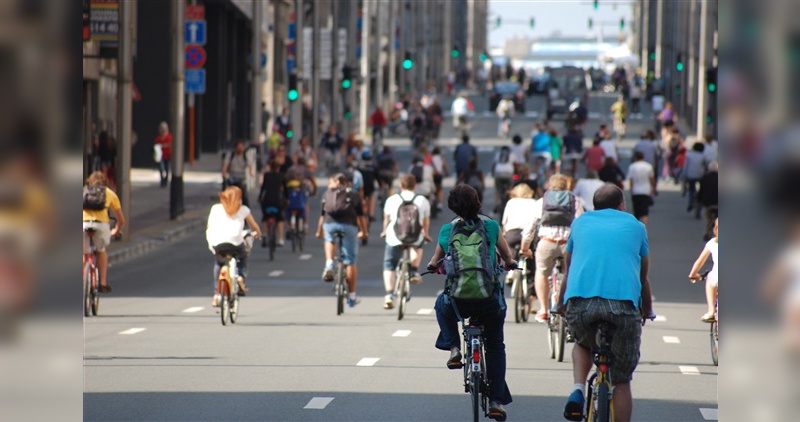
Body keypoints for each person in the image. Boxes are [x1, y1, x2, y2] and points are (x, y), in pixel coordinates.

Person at [555, 184, 654, 422]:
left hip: (581, 303)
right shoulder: (636, 226)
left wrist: (560, 302)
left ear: (594, 205)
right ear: (622, 205)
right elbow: (643, 275)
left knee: (582, 342)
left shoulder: (579, 223)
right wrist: (647, 309)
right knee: (621, 379)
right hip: (622, 306)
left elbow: (569, 269)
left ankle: (578, 388)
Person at [427, 184, 517, 421]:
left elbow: (434, 261)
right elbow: (507, 256)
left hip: (458, 301)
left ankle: (454, 347)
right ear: (477, 202)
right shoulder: (491, 226)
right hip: (489, 301)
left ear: (452, 206)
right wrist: (510, 263)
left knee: (441, 305)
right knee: (496, 345)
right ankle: (497, 401)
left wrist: (434, 266)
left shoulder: (447, 230)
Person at [520, 174, 583, 323]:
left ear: (549, 186)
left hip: (547, 242)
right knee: (571, 274)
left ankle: (543, 309)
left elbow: (530, 227)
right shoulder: (575, 201)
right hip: (568, 245)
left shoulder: (542, 202)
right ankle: (569, 308)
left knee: (541, 272)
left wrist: (525, 248)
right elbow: (581, 224)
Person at [316, 173, 368, 307]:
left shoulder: (327, 193)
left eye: (330, 182)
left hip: (329, 224)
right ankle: (351, 297)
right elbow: (361, 216)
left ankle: (328, 263)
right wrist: (364, 231)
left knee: (329, 239)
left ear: (338, 182)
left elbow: (322, 215)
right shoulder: (354, 194)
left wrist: (319, 231)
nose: (329, 185)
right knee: (350, 261)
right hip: (349, 226)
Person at [381, 174, 432, 309]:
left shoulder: (392, 199)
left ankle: (389, 294)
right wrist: (425, 233)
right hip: (415, 235)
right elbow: (425, 221)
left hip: (394, 236)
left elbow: (386, 219)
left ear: (400, 186)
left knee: (389, 265)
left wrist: (385, 231)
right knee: (418, 246)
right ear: (415, 185)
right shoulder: (422, 200)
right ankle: (414, 270)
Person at [206, 186, 262, 304]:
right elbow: (254, 227)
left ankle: (217, 293)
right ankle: (241, 276)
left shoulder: (215, 208)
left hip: (217, 243)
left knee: (219, 263)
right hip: (236, 243)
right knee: (243, 256)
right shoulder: (243, 209)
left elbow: (209, 226)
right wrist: (257, 233)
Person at [83, 171, 126, 294]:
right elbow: (121, 220)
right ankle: (102, 283)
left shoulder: (83, 191)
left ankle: (82, 281)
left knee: (84, 254)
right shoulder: (109, 193)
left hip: (83, 225)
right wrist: (116, 231)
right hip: (101, 226)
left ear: (89, 182)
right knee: (101, 251)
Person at [502, 183, 540, 305]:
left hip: (512, 233)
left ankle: (511, 270)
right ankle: (532, 288)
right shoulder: (534, 202)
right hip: (529, 234)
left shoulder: (511, 202)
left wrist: (504, 232)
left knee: (510, 250)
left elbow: (504, 222)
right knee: (532, 258)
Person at [689, 218, 718, 322]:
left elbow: (700, 261)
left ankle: (711, 310)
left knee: (710, 278)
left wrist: (693, 274)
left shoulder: (713, 243)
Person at [257, 159, 287, 247]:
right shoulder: (281, 176)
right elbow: (285, 190)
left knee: (265, 218)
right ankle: (280, 239)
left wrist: (259, 198)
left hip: (266, 200)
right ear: (278, 168)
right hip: (277, 201)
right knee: (280, 218)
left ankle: (265, 234)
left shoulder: (266, 175)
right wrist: (287, 199)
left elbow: (263, 188)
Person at [285, 156, 318, 233]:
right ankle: (305, 225)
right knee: (305, 204)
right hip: (301, 191)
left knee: (288, 205)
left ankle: (289, 226)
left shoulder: (290, 169)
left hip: (290, 191)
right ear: (305, 164)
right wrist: (314, 192)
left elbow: (285, 180)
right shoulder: (306, 170)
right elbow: (313, 182)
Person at [628, 151, 657, 225]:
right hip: (646, 191)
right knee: (645, 212)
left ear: (635, 158)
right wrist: (654, 188)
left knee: (636, 211)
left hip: (636, 191)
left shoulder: (632, 166)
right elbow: (652, 179)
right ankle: (644, 228)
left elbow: (631, 180)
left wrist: (631, 189)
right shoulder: (648, 166)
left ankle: (637, 227)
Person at [222, 140, 255, 208]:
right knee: (229, 195)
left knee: (245, 197)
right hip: (232, 177)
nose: (240, 149)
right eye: (238, 147)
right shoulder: (231, 155)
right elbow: (226, 165)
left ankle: (246, 213)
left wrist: (251, 172)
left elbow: (250, 165)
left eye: (241, 147)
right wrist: (224, 173)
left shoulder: (245, 155)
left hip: (242, 178)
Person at [682, 142, 707, 216]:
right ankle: (699, 207)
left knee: (691, 190)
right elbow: (705, 166)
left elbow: (686, 165)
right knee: (701, 192)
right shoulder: (703, 156)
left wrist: (684, 174)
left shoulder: (688, 155)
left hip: (690, 175)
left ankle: (690, 202)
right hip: (700, 175)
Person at [697, 161, 719, 241]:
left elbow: (701, 191)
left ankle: (706, 232)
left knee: (707, 217)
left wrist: (699, 201)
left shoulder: (705, 178)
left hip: (708, 204)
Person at [492, 146, 515, 214]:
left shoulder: (498, 154)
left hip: (498, 173)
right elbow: (515, 165)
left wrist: (493, 174)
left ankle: (497, 203)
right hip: (508, 173)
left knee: (498, 190)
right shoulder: (511, 155)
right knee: (510, 189)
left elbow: (494, 165)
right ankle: (511, 202)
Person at [154, 122, 172, 188]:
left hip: (168, 156)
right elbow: (156, 146)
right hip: (161, 156)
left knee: (167, 169)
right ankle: (162, 180)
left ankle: (166, 180)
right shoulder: (158, 138)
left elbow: (171, 144)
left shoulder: (169, 137)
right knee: (161, 168)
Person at [431, 147, 449, 211]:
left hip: (433, 175)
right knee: (440, 189)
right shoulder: (441, 159)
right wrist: (447, 173)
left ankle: (432, 199)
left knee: (432, 188)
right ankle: (440, 204)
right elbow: (445, 167)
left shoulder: (431, 158)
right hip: (439, 176)